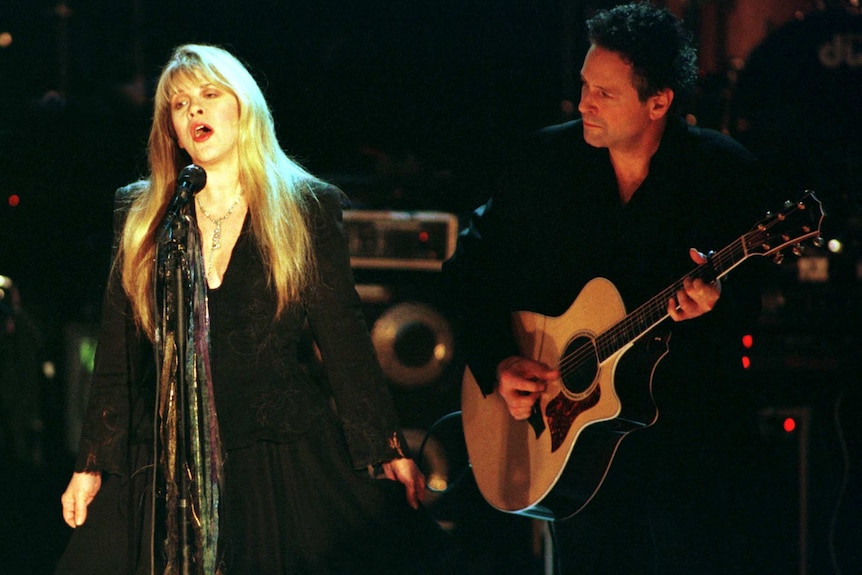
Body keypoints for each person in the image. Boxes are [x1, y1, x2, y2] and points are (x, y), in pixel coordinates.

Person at [57, 44, 454, 574]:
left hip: (275, 446)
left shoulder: (304, 205)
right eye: (178, 104)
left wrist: (384, 444)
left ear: (243, 107)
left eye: (208, 94)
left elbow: (343, 335)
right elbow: (118, 349)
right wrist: (91, 464)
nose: (193, 110)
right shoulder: (143, 210)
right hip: (165, 450)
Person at [443, 3, 780, 573]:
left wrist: (715, 305)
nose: (583, 104)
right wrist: (497, 361)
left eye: (604, 93)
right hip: (572, 453)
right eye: (583, 85)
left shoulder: (723, 174)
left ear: (659, 102)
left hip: (688, 451)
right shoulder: (544, 162)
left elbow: (753, 306)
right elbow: (469, 272)